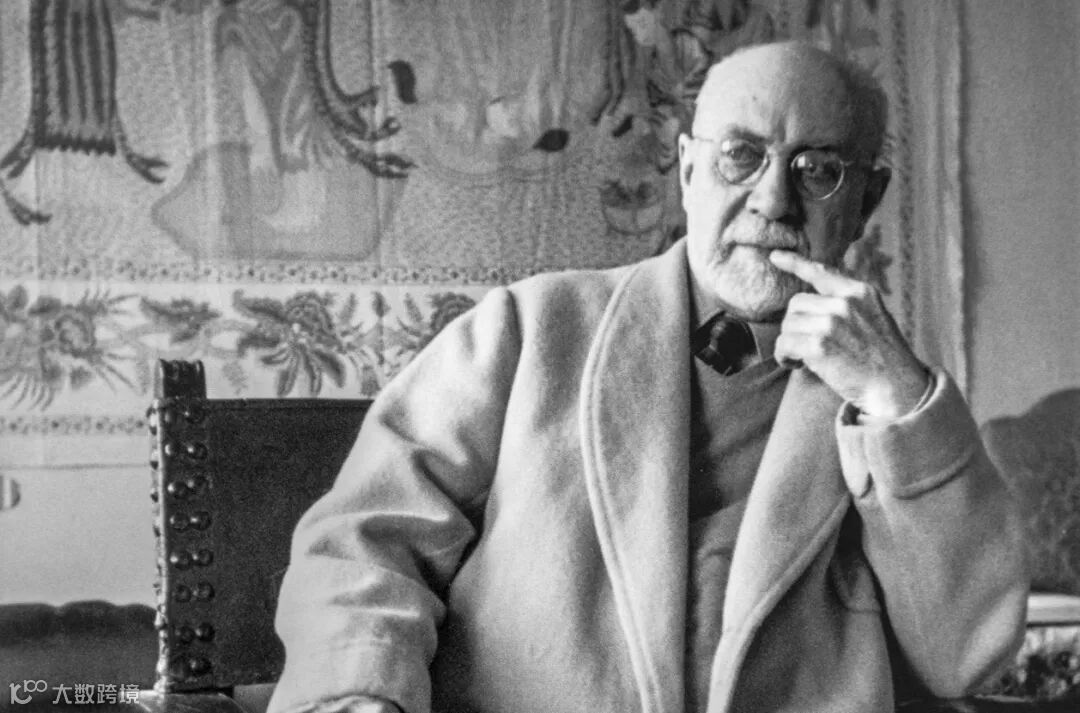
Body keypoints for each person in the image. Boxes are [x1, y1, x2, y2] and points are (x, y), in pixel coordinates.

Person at [268, 41, 1027, 713]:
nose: (773, 200)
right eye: (741, 156)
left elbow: (963, 658)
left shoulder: (891, 407)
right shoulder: (528, 329)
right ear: (688, 170)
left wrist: (897, 401)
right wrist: (358, 694)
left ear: (866, 201)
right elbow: (365, 544)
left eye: (818, 170)